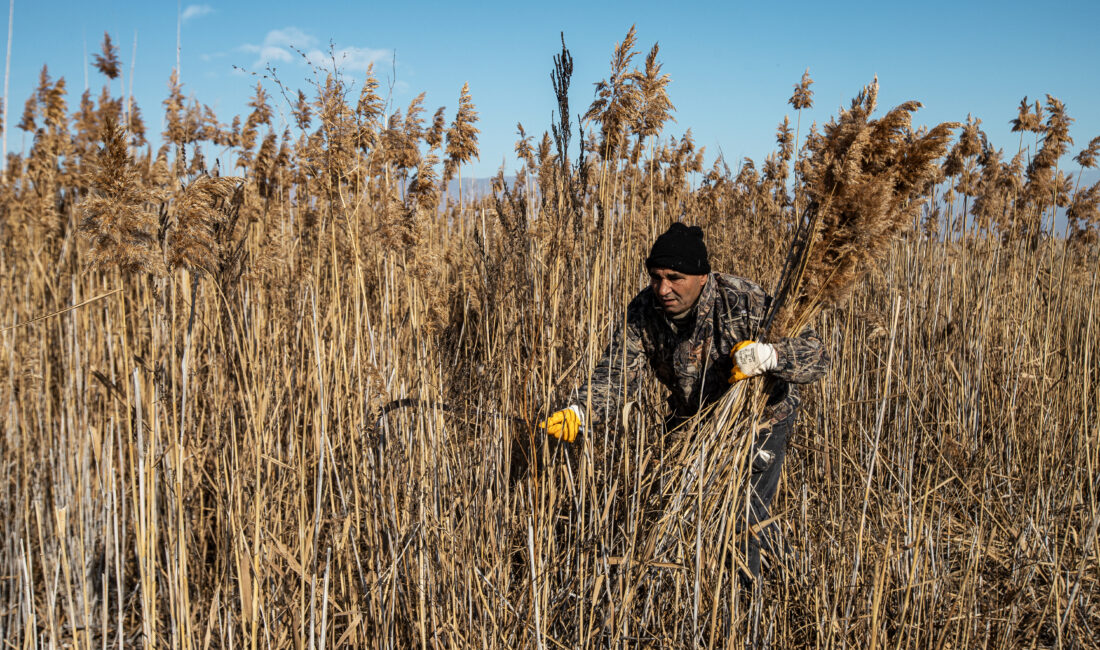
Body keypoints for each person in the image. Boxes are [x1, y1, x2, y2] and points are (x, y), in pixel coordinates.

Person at [539, 222, 829, 581]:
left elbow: (817, 356)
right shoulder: (644, 310)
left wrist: (768, 356)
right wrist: (581, 411)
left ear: (702, 277)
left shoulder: (743, 300)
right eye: (656, 276)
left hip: (760, 420)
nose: (663, 288)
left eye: (675, 277)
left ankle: (751, 600)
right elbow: (616, 374)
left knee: (743, 517)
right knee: (671, 505)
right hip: (693, 416)